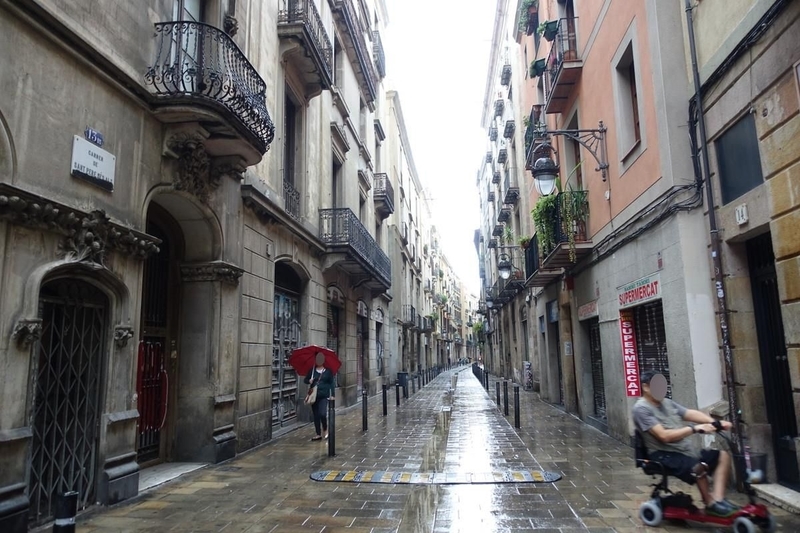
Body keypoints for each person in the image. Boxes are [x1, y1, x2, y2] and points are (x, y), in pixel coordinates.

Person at [633, 369, 737, 517]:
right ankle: (709, 503)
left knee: (723, 456)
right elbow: (664, 436)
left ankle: (718, 500)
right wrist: (694, 429)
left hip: (683, 451)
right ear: (645, 387)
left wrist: (715, 422)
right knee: (698, 467)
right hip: (662, 454)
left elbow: (689, 413)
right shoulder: (641, 409)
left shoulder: (666, 402)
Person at [304, 352, 335, 441]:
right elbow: (305, 380)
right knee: (316, 415)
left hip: (323, 396)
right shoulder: (312, 371)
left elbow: (331, 383)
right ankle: (318, 434)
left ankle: (325, 429)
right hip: (314, 396)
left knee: (322, 414)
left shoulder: (328, 371)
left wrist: (332, 394)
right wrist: (309, 381)